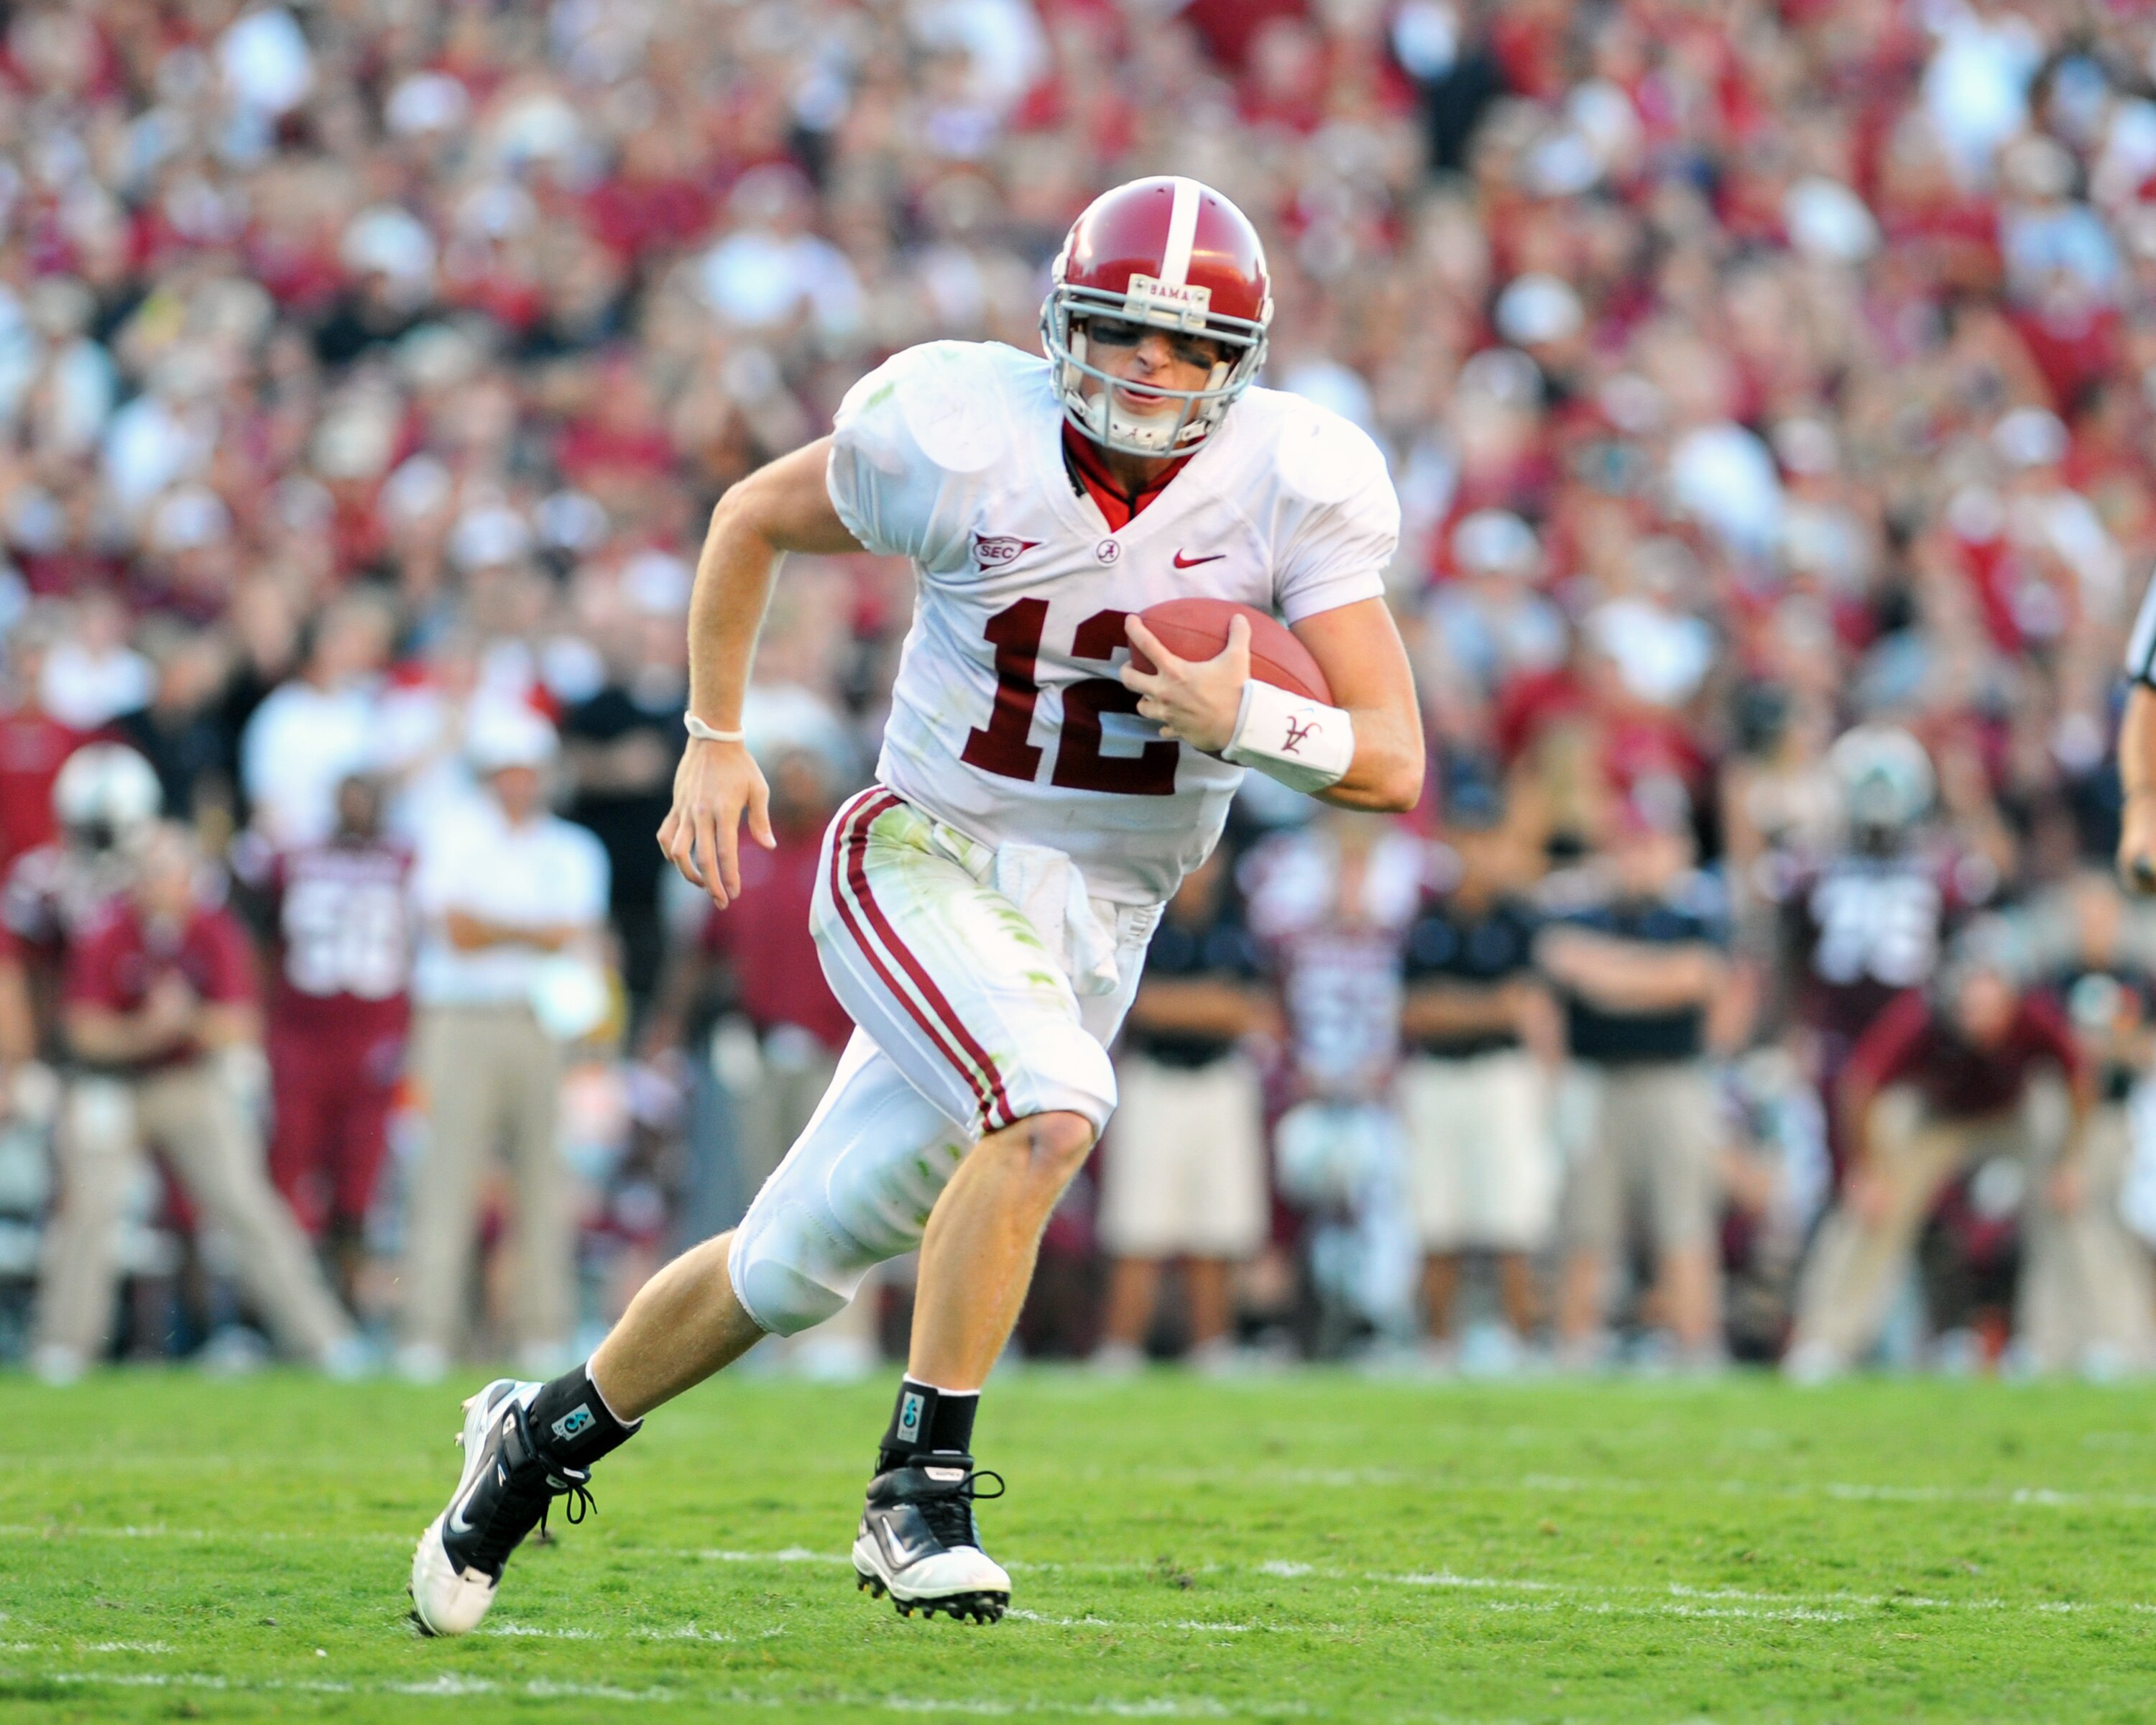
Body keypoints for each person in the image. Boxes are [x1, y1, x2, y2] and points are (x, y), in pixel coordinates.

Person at [410, 176, 1422, 1634]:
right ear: (1061, 328)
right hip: (924, 851)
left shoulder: (1297, 479)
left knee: (787, 1264)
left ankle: (531, 1442)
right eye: (1126, 334)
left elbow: (1392, 761)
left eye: (1193, 350)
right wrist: (714, 732)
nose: (1155, 371)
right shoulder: (960, 433)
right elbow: (753, 514)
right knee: (1055, 1109)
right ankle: (919, 1491)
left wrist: (1249, 715)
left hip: (1097, 923)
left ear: (1241, 366)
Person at [29, 822, 356, 1382]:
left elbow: (240, 1026)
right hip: (113, 1082)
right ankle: (63, 1344)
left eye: (170, 872)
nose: (161, 885)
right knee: (90, 1206)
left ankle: (322, 1339)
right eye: (151, 873)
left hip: (187, 1080)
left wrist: (185, 1022)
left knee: (244, 1202)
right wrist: (151, 1030)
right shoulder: (108, 929)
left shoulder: (212, 930)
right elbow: (82, 1032)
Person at [396, 705, 610, 1382]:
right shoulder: (453, 833)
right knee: (447, 1173)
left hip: (540, 1019)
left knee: (543, 1178)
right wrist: (534, 933)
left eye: (527, 771)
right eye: (506, 771)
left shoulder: (572, 848)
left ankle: (540, 1326)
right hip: (461, 1017)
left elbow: (568, 935)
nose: (517, 783)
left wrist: (503, 929)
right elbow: (457, 932)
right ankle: (428, 1329)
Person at [1784, 953, 2093, 1380]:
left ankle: (2066, 1342)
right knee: (1874, 1213)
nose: (1983, 1024)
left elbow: (2078, 1077)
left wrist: (2070, 1162)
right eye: (1973, 1010)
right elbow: (1860, 1086)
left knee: (2068, 1204)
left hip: (2014, 1114)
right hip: (1938, 1116)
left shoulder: (2036, 1017)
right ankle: (1825, 1342)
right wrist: (1868, 1170)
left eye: (1993, 1009)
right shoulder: (1919, 1018)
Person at [1541, 791, 1733, 1368]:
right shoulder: (1580, 912)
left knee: (1684, 1223)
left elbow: (1695, 979)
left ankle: (1695, 1348)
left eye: (1650, 845)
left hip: (1671, 1081)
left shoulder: (1695, 915)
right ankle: (1576, 1348)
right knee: (1584, 1227)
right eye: (1630, 846)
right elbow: (1559, 964)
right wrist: (1647, 978)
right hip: (1594, 1080)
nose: (1639, 858)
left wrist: (1609, 975)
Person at [1091, 842, 1275, 1374]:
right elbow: (1140, 1005)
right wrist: (1214, 1006)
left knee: (1218, 1226)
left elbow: (1257, 1012)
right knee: (1138, 1226)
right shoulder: (1147, 921)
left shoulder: (1236, 926)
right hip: (1156, 1081)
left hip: (1220, 1080)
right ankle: (1119, 1350)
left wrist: (1193, 1007)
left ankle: (1213, 1348)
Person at [1398, 784, 1559, 1366]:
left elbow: (1529, 1006)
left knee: (1511, 1218)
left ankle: (1523, 1347)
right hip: (1438, 1077)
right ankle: (1435, 1349)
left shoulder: (1519, 918)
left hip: (1500, 1076)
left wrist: (1455, 1005)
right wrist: (1489, 1005)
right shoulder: (1428, 917)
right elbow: (1414, 1012)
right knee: (1436, 1218)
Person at [256, 773, 415, 1308]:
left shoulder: (408, 862)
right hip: (304, 1033)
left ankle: (345, 1307)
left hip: (372, 1036)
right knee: (289, 1175)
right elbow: (261, 939)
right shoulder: (294, 859)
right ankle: (285, 1306)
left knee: (358, 1186)